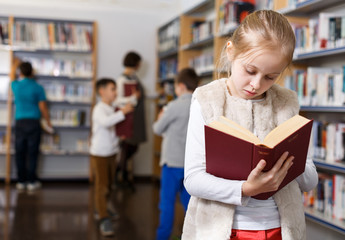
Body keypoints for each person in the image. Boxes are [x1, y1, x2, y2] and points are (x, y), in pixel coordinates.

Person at [182, 10, 318, 240]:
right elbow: (193, 179)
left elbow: (310, 181)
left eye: (270, 77)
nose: (256, 84)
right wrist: (245, 189)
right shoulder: (207, 100)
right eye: (250, 70)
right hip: (223, 230)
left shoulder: (287, 103)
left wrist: (290, 159)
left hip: (280, 229)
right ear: (230, 51)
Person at [153, 68, 199, 240]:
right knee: (190, 204)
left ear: (180, 86)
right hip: (190, 165)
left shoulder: (173, 106)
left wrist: (160, 116)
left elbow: (158, 129)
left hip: (171, 164)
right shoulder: (199, 106)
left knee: (167, 204)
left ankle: (163, 236)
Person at [90, 78, 133, 237]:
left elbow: (114, 127)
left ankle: (101, 208)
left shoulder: (112, 107)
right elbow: (107, 123)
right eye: (112, 89)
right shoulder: (99, 109)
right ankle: (103, 218)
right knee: (102, 186)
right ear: (102, 91)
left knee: (108, 184)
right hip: (100, 153)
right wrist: (123, 112)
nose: (115, 92)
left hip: (111, 152)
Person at [11, 61, 52, 191]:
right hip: (34, 122)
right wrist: (48, 121)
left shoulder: (16, 85)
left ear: (20, 73)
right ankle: (31, 181)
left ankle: (21, 181)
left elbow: (12, 76)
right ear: (32, 73)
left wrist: (14, 65)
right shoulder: (38, 88)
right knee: (33, 153)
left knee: (20, 152)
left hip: (20, 122)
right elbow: (43, 107)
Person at [115, 51, 147, 187]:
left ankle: (121, 173)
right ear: (136, 63)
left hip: (135, 118)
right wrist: (134, 98)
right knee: (127, 147)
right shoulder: (121, 80)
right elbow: (117, 100)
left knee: (132, 147)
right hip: (127, 118)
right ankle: (119, 174)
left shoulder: (133, 77)